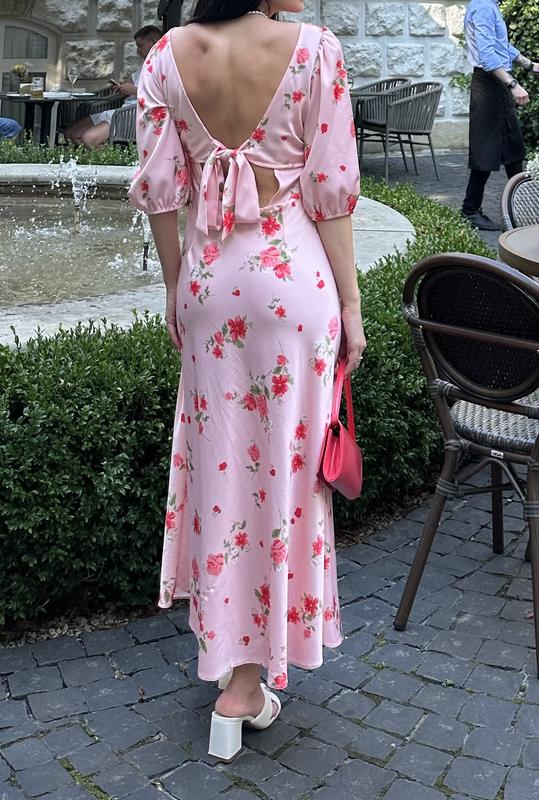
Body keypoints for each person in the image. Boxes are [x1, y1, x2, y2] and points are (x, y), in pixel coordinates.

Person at [129, 0, 365, 761]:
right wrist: (352, 305)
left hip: (209, 286)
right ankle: (251, 675)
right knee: (287, 479)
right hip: (292, 285)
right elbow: (330, 190)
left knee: (220, 476)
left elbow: (161, 189)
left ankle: (233, 668)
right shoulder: (314, 50)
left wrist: (175, 289)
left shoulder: (168, 55)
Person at [461, 0, 539, 230]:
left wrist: (530, 65)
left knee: (513, 149)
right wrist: (513, 84)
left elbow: (500, 45)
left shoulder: (489, 5)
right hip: (490, 84)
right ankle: (470, 210)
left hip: (495, 83)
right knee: (485, 149)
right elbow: (487, 54)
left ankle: (525, 208)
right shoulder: (484, 6)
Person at [65, 25, 162, 149]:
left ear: (153, 42)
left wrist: (133, 90)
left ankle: (114, 158)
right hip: (120, 111)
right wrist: (121, 86)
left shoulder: (162, 64)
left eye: (140, 46)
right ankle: (93, 157)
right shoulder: (146, 62)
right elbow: (132, 80)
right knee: (71, 134)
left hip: (132, 115)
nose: (138, 51)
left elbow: (161, 96)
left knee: (88, 139)